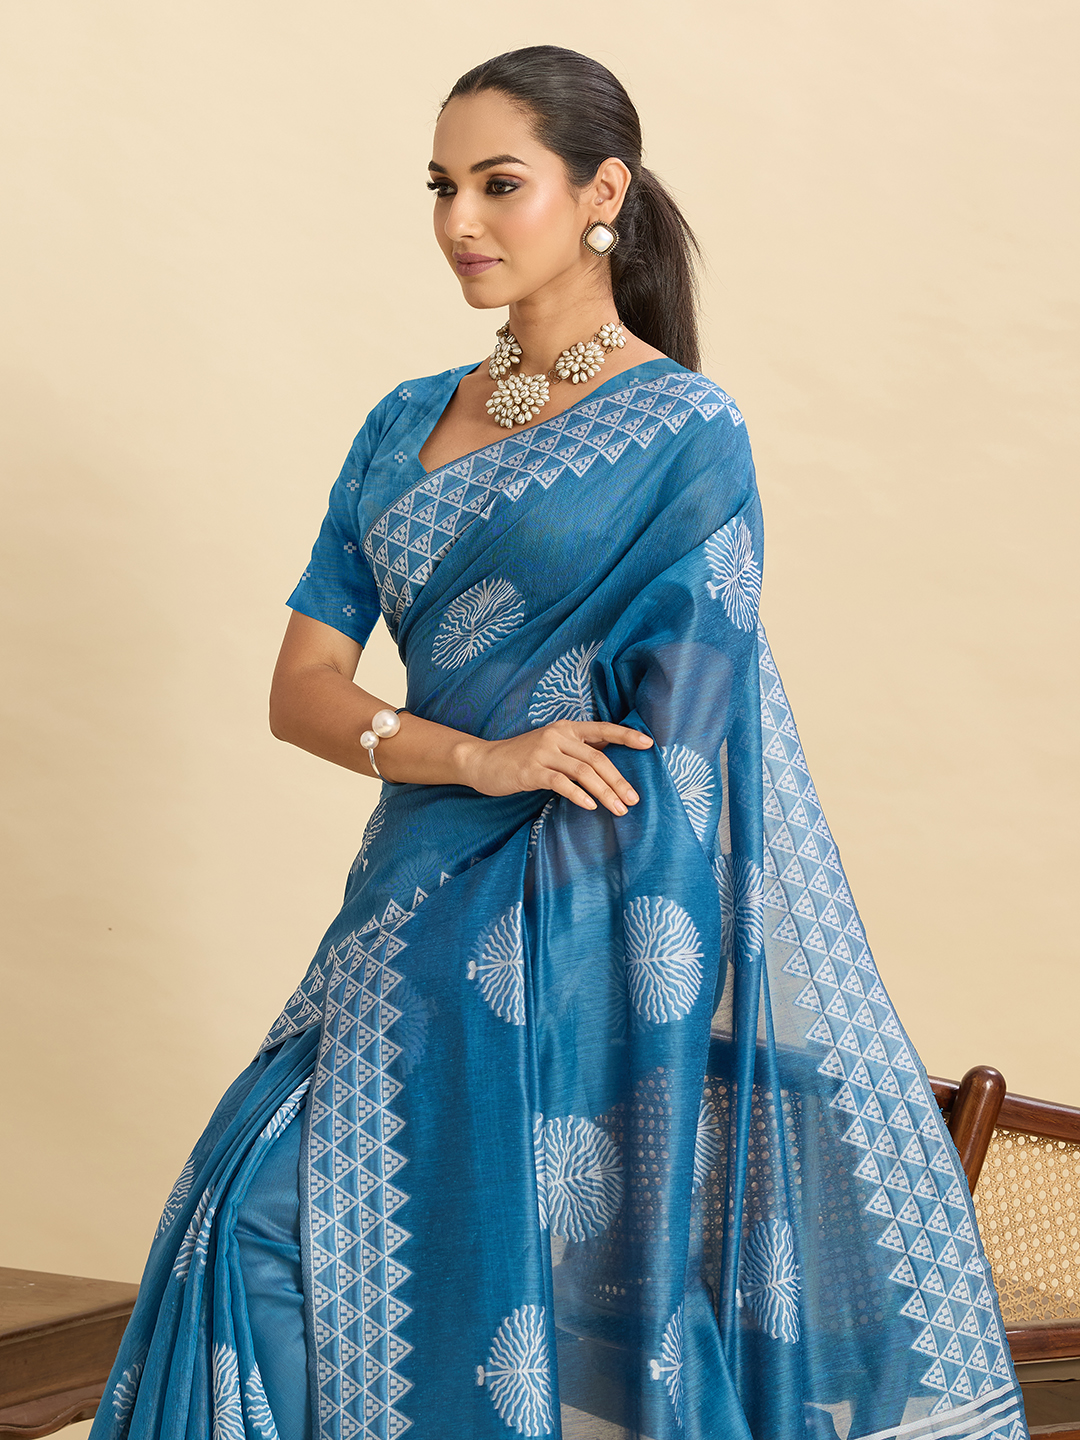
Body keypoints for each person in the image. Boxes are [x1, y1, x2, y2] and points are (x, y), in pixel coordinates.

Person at [91, 45, 1028, 1440]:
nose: (460, 221)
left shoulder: (683, 433)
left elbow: (680, 746)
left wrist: (555, 947)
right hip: (399, 897)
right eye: (441, 187)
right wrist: (475, 758)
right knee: (244, 1221)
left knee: (323, 1239)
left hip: (563, 919)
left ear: (603, 193)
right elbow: (302, 689)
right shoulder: (401, 423)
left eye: (499, 184)